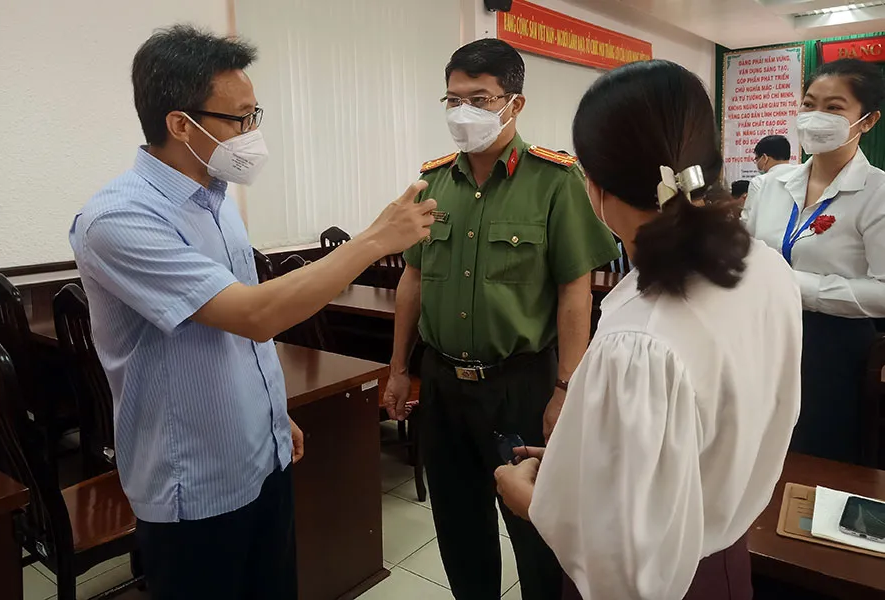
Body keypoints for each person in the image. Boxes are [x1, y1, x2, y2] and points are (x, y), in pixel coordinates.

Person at [69, 26, 436, 600]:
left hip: (260, 458)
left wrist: (269, 415)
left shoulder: (215, 200)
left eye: (254, 114)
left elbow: (239, 337)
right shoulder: (119, 220)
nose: (252, 133)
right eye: (240, 119)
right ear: (180, 124)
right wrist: (374, 241)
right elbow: (254, 315)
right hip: (194, 486)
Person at [494, 60, 802, 600]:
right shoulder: (767, 269)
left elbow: (626, 568)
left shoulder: (640, 340)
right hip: (727, 561)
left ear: (595, 188)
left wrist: (536, 502)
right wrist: (577, 465)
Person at [383, 39, 619, 600]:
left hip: (521, 384)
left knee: (536, 527)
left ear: (515, 103)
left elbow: (574, 292)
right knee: (458, 524)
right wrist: (397, 368)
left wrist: (566, 388)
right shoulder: (433, 181)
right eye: (452, 99)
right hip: (443, 382)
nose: (462, 112)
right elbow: (412, 279)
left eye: (479, 99)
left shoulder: (555, 180)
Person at [743, 58, 885, 464]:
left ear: (868, 121)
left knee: (814, 456)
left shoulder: (877, 193)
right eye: (809, 104)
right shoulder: (770, 184)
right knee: (753, 447)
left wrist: (796, 286)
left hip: (830, 347)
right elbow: (745, 252)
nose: (815, 116)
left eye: (834, 107)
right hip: (761, 331)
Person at [743, 135, 795, 222]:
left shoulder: (759, 182)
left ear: (764, 158)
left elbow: (748, 219)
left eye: (756, 158)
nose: (756, 163)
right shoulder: (801, 176)